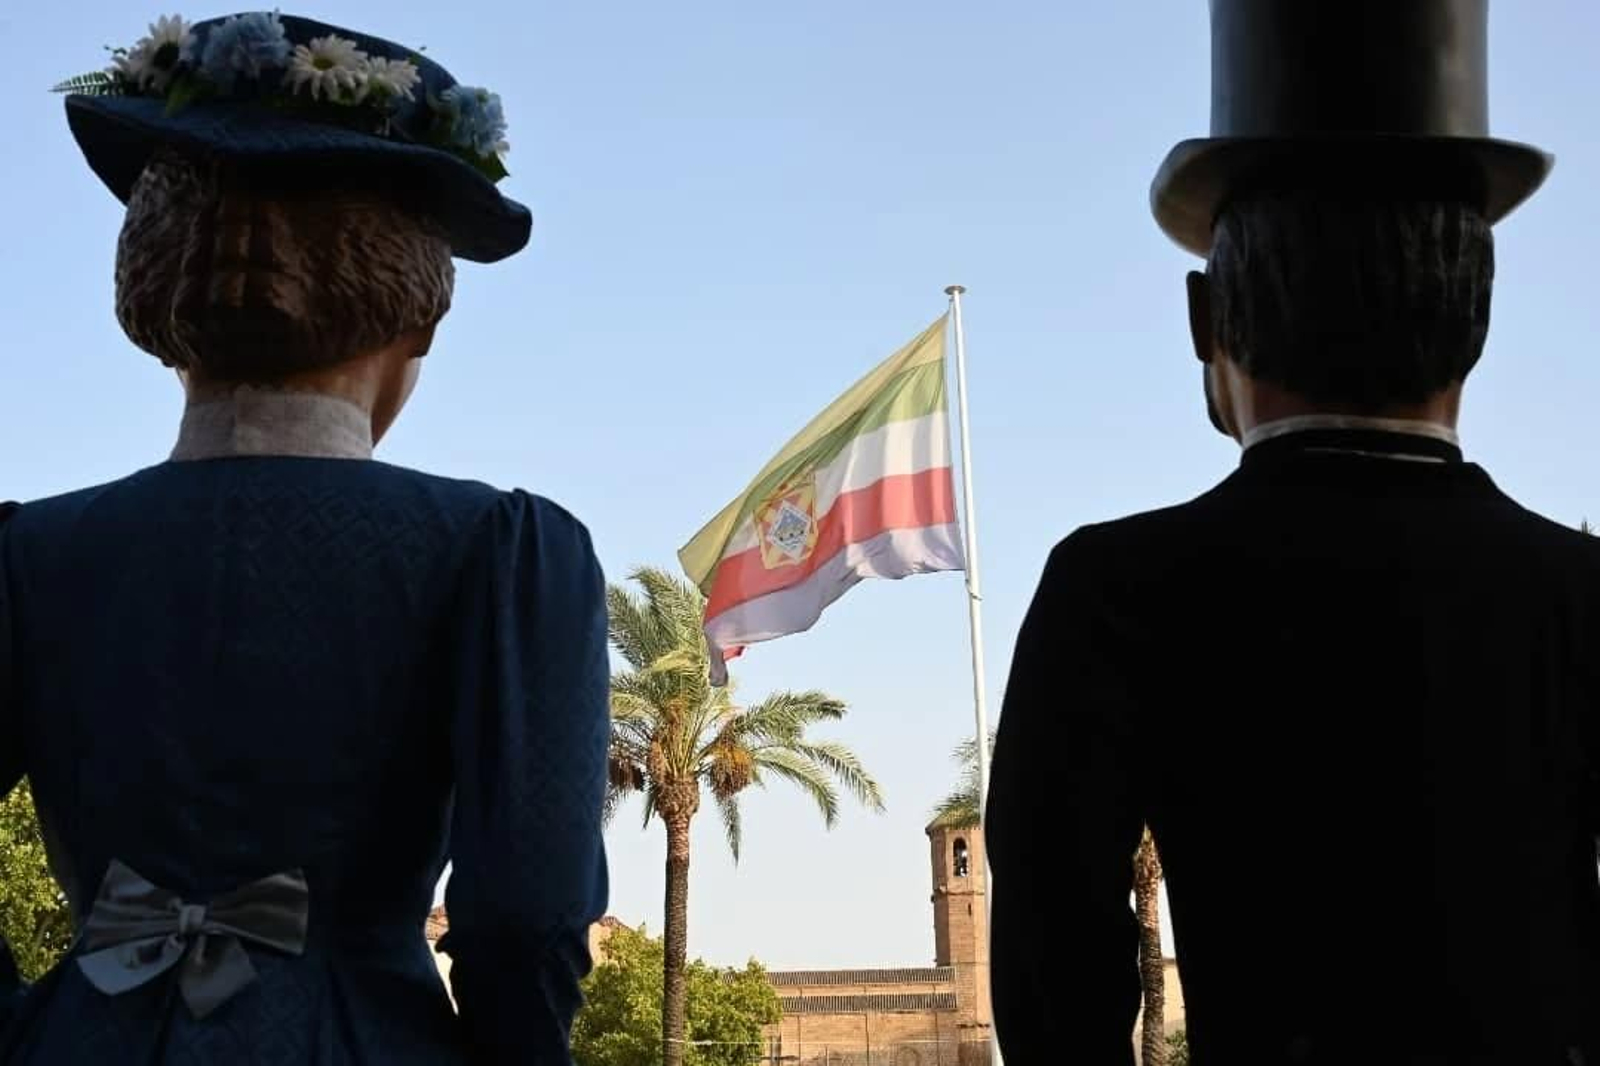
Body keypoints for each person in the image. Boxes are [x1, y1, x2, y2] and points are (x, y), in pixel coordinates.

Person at [985, 2, 1600, 1063]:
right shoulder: (1580, 592)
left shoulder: (1114, 589)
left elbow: (1054, 987)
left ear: (1204, 321)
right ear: (1480, 311)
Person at [0, 13, 609, 1065]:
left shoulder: (26, 556)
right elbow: (526, 915)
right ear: (420, 318)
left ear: (154, 300)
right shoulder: (500, 552)